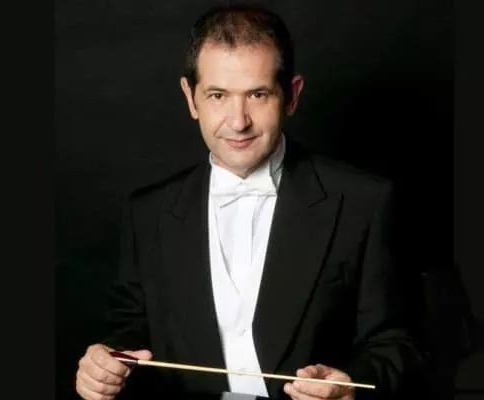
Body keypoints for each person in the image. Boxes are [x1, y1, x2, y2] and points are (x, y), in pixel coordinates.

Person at [75, 4, 423, 400]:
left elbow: (398, 344)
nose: (238, 121)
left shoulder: (365, 202)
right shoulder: (147, 212)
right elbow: (127, 337)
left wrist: (351, 386)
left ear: (291, 96)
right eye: (218, 95)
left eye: (258, 95)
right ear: (191, 98)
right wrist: (104, 367)